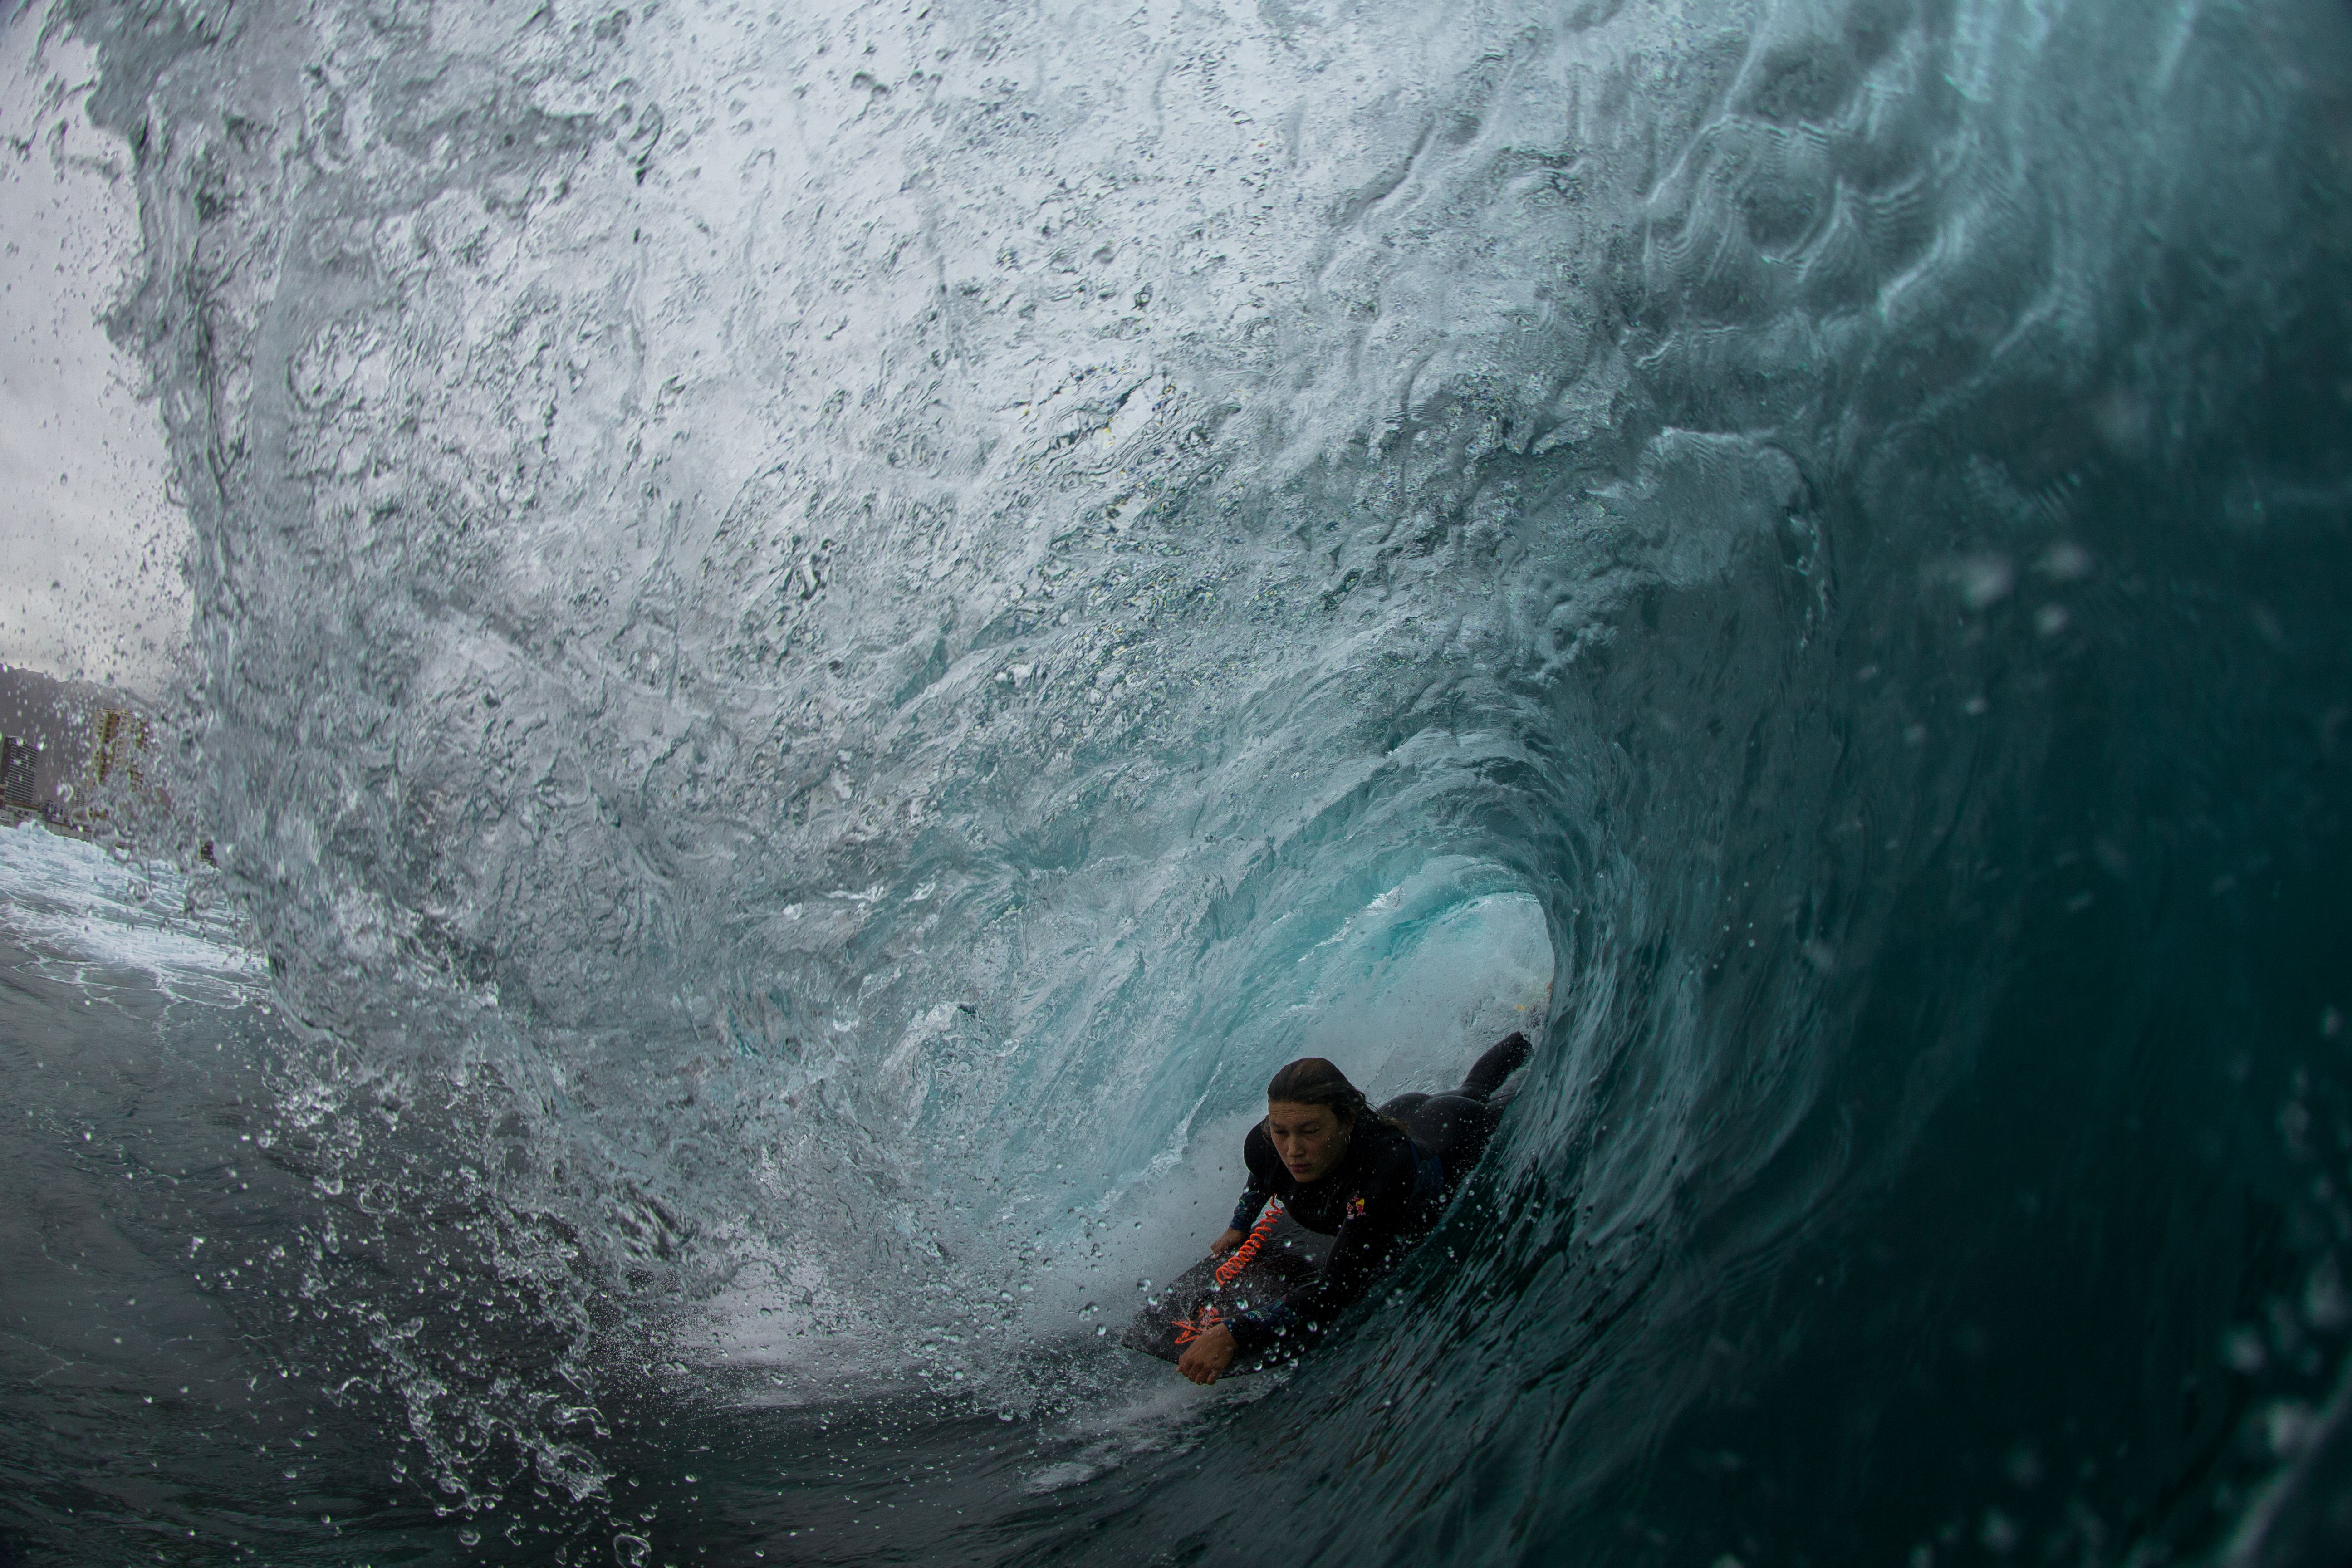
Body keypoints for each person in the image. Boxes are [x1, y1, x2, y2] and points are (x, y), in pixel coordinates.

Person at [1175, 1031, 1532, 1385]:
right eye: (1280, 1131)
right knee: (1466, 1087)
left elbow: (1339, 1289)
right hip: (1405, 1113)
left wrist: (1234, 1333)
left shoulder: (1384, 1170)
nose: (1292, 1150)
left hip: (1453, 1137)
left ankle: (1531, 1030)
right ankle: (1527, 1028)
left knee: (1484, 1094)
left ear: (1346, 1121)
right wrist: (1240, 1225)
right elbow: (1262, 1174)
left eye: (1310, 1131)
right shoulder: (1264, 1143)